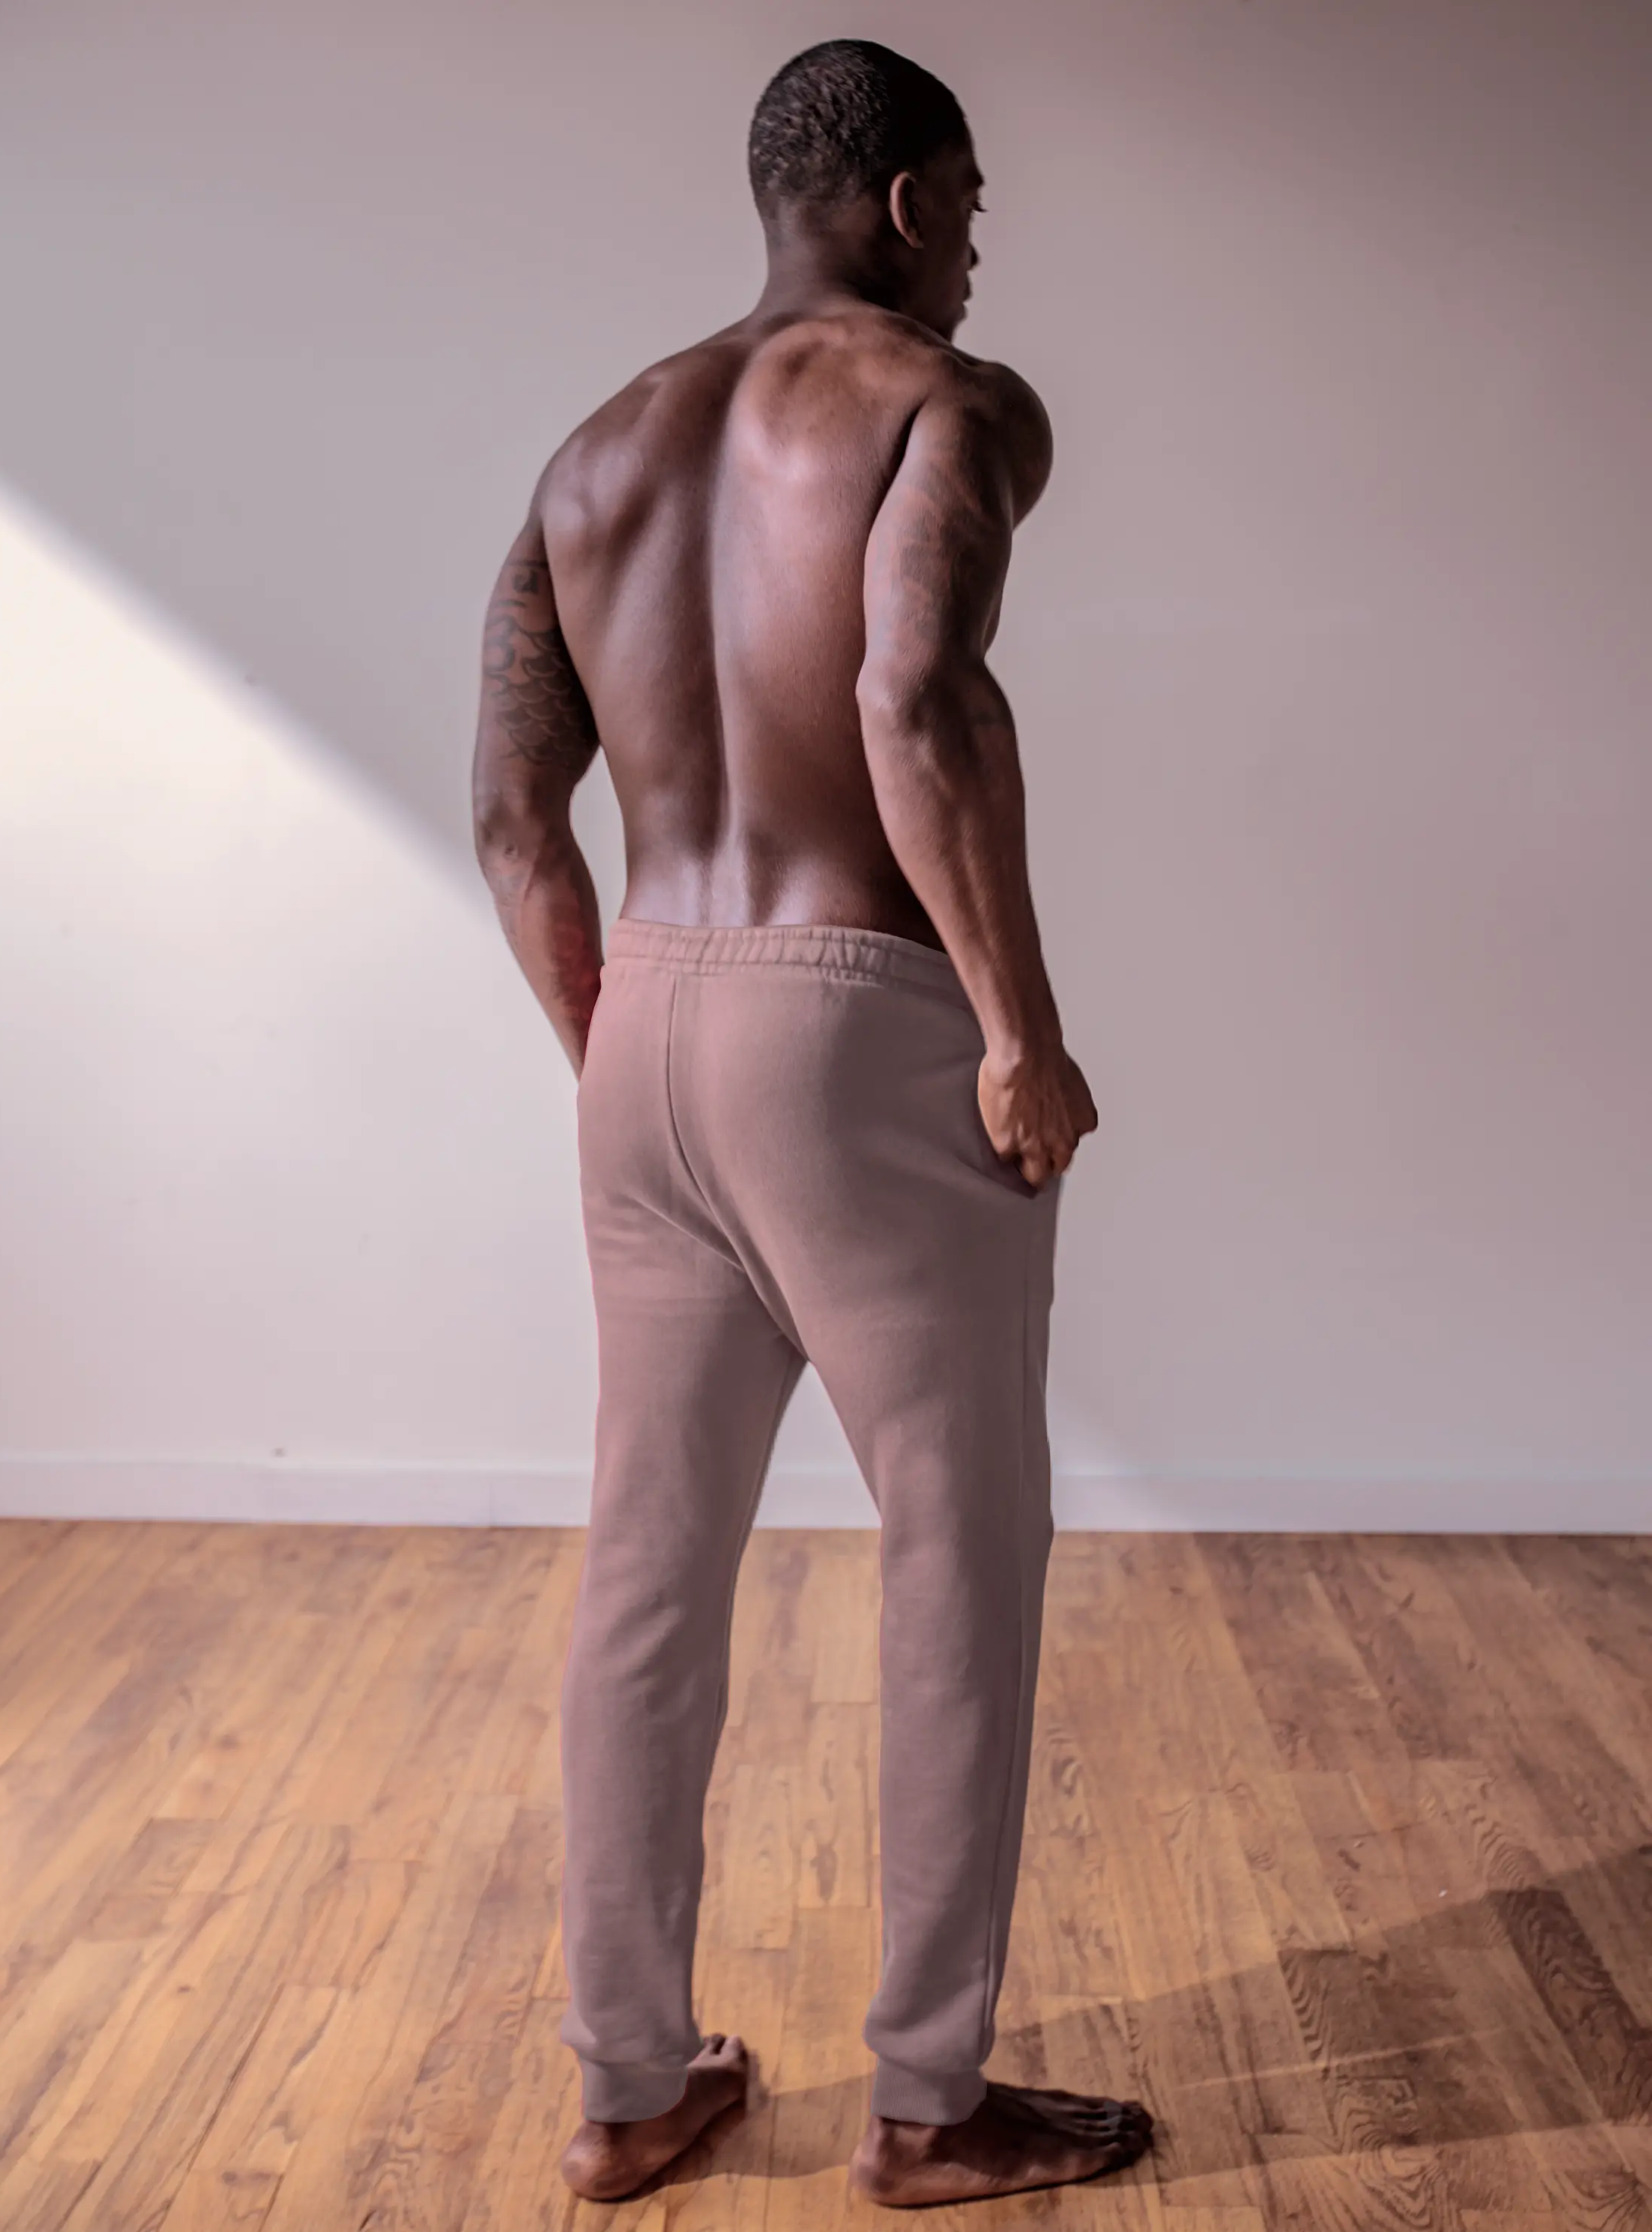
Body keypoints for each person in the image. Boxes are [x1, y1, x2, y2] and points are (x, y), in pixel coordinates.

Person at [471, 37, 1151, 2209]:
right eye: (963, 208)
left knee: (650, 1573)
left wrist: (614, 1039)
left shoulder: (591, 455)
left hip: (644, 1030)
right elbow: (913, 696)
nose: (972, 251)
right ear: (890, 201)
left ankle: (631, 2080)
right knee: (961, 1550)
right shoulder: (949, 404)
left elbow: (513, 812)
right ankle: (934, 2104)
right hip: (856, 1021)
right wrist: (1021, 1027)